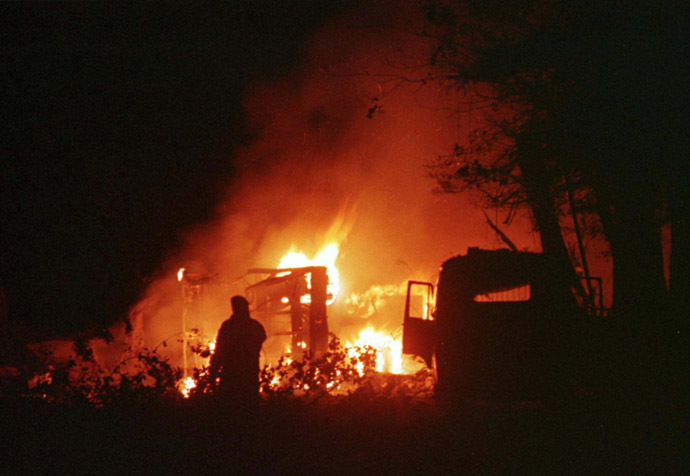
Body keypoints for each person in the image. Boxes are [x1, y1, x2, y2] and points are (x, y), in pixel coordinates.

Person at [209, 295, 266, 409]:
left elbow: (220, 349)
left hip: (231, 370)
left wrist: (214, 371)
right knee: (249, 403)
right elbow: (262, 337)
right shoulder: (253, 325)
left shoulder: (228, 326)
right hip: (247, 370)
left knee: (228, 404)